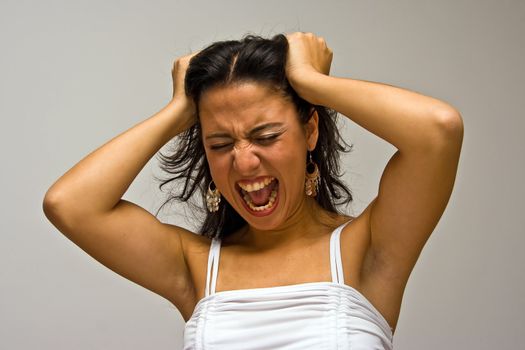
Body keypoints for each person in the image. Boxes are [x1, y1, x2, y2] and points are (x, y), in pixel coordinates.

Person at [43, 32, 463, 349]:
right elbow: (70, 204)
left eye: (266, 136)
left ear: (310, 129)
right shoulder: (195, 267)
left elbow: (438, 131)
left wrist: (309, 81)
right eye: (220, 144)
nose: (244, 163)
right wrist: (179, 110)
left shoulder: (366, 248)